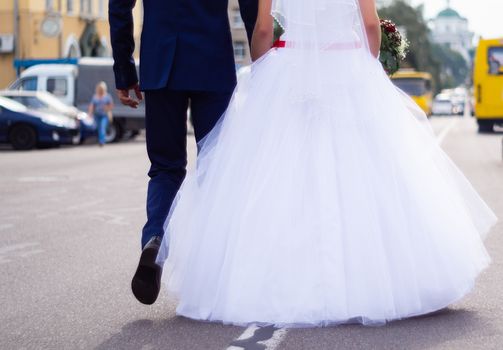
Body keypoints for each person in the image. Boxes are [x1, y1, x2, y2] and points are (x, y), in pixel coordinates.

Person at [155, 0, 497, 327]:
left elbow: (261, 30)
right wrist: (368, 65)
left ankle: (279, 278)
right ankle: (368, 282)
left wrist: (263, 75)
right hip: (346, 64)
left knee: (284, 176)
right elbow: (369, 24)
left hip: (289, 68)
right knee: (363, 174)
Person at [109, 0, 258, 305]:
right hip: (212, 62)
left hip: (161, 60)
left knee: (165, 167)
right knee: (217, 166)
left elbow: (119, 6)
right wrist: (263, 62)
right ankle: (213, 271)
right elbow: (251, 4)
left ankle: (155, 239)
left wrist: (124, 70)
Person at [88, 82, 114, 147]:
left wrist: (106, 108)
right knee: (97, 128)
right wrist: (90, 113)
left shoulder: (107, 96)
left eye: (101, 89)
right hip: (96, 115)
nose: (100, 90)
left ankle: (101, 142)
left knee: (102, 127)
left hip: (104, 115)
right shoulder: (95, 96)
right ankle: (100, 139)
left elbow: (111, 106)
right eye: (99, 89)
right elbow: (92, 105)